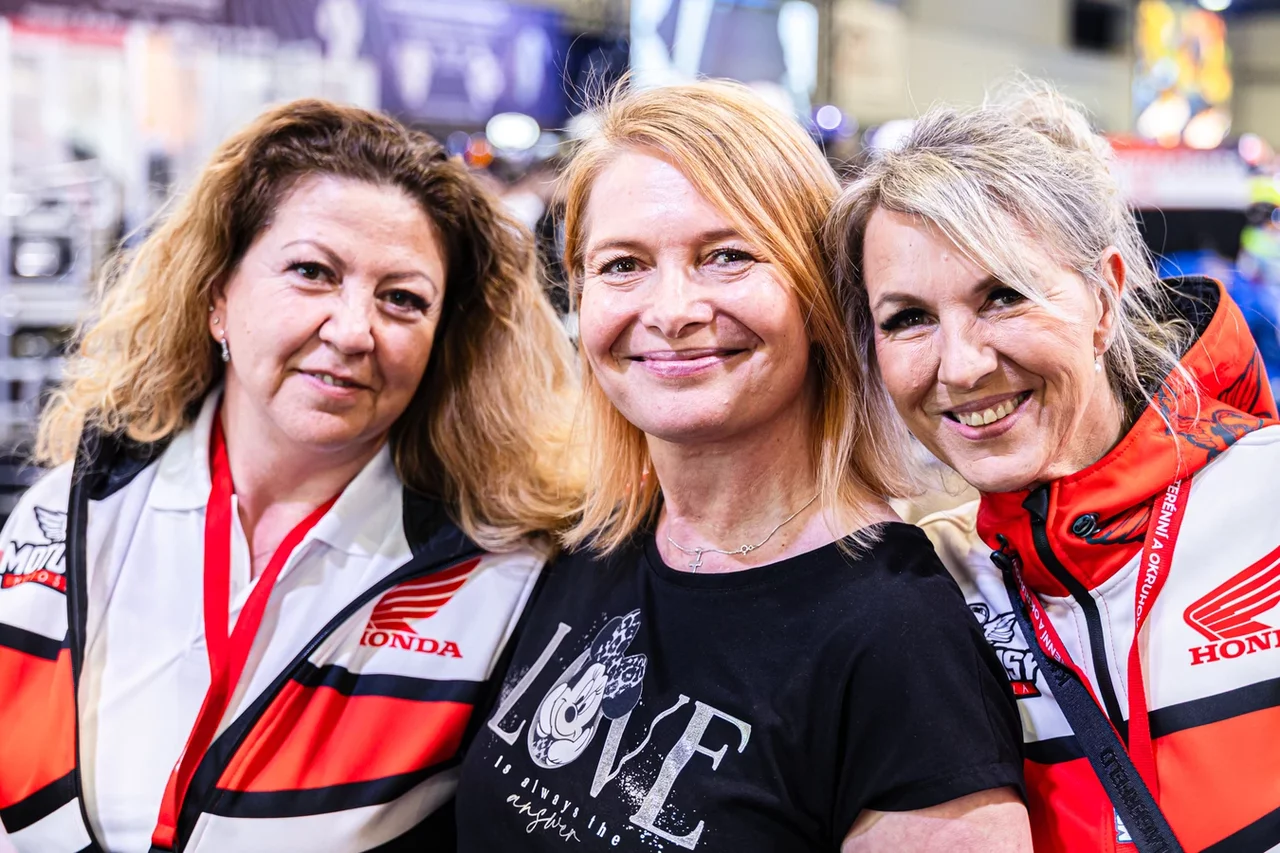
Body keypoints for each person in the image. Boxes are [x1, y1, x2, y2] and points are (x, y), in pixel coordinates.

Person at [454, 80, 1030, 853]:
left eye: (727, 256)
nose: (672, 311)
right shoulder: (581, 541)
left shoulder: (900, 636)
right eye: (623, 265)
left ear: (819, 297)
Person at [0, 99, 579, 853]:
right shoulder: (67, 516)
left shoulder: (498, 577)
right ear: (218, 295)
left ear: (442, 339)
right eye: (311, 272)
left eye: (403, 299)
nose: (353, 331)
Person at [827, 81, 1280, 853]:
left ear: (1104, 299)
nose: (961, 366)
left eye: (1003, 296)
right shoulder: (930, 585)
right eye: (909, 318)